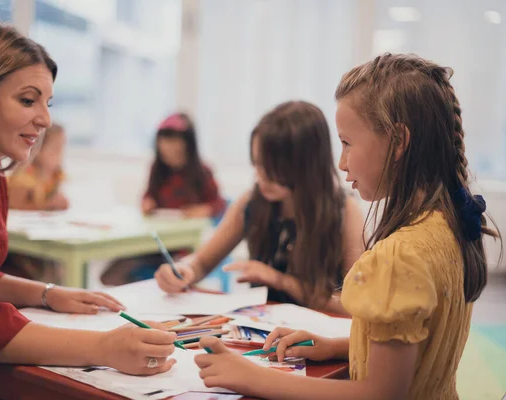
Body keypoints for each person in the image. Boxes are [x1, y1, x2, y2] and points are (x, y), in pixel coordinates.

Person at [194, 53, 500, 400]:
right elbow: (416, 348)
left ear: (398, 143)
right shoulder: (449, 224)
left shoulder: (399, 255)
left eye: (347, 144)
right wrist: (343, 346)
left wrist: (251, 377)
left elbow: (380, 394)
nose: (341, 162)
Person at [0, 23, 176, 392]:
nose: (45, 120)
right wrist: (103, 347)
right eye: (28, 100)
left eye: (47, 104)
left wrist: (48, 293)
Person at [155, 101, 364, 312]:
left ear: (306, 167)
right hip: (260, 332)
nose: (261, 177)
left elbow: (354, 304)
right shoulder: (252, 202)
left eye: (273, 170)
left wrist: (279, 280)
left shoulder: (344, 212)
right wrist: (183, 270)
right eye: (257, 164)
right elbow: (201, 262)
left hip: (318, 336)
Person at [100, 112, 227, 286]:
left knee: (177, 277)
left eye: (176, 145)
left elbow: (219, 203)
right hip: (155, 244)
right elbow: (148, 195)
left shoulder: (202, 171)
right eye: (165, 145)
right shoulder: (157, 170)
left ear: (188, 145)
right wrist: (147, 203)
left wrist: (204, 210)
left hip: (186, 246)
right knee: (110, 275)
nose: (170, 150)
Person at [8, 123, 68, 211]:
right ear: (38, 150)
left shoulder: (55, 175)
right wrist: (48, 205)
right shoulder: (24, 177)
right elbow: (14, 206)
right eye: (55, 149)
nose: (60, 155)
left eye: (62, 149)